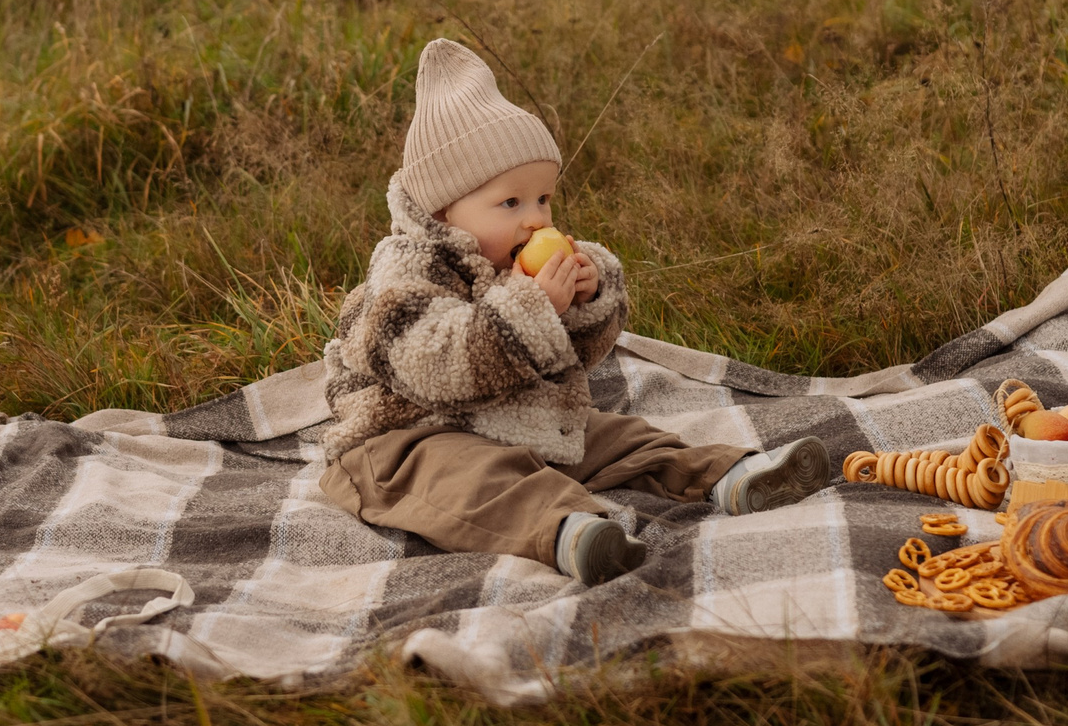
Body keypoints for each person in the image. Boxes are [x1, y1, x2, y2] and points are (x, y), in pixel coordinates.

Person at [316, 39, 831, 585]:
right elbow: (434, 364)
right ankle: (571, 531)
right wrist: (529, 309)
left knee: (610, 434)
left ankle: (731, 475)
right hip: (402, 442)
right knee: (481, 479)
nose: (536, 220)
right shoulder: (404, 270)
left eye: (544, 199)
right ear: (445, 209)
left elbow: (575, 357)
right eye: (511, 203)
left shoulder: (507, 260)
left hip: (505, 418)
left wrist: (586, 301)